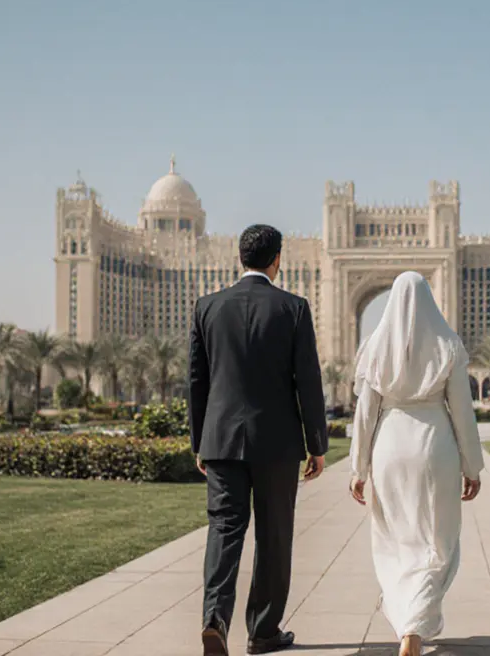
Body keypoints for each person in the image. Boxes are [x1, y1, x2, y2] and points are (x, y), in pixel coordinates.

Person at [188, 224, 329, 656]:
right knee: (274, 535)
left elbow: (197, 381)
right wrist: (317, 444)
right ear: (277, 260)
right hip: (277, 443)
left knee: (224, 530)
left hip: (222, 442)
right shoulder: (293, 308)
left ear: (240, 258)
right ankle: (263, 631)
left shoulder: (207, 307)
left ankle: (215, 619)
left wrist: (199, 442)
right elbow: (308, 380)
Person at [348, 271, 485, 656]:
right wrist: (471, 466)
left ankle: (409, 622)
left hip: (389, 448)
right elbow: (462, 412)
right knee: (436, 542)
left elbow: (365, 414)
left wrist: (358, 469)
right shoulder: (448, 347)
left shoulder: (375, 349)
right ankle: (415, 624)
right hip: (434, 447)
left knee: (395, 540)